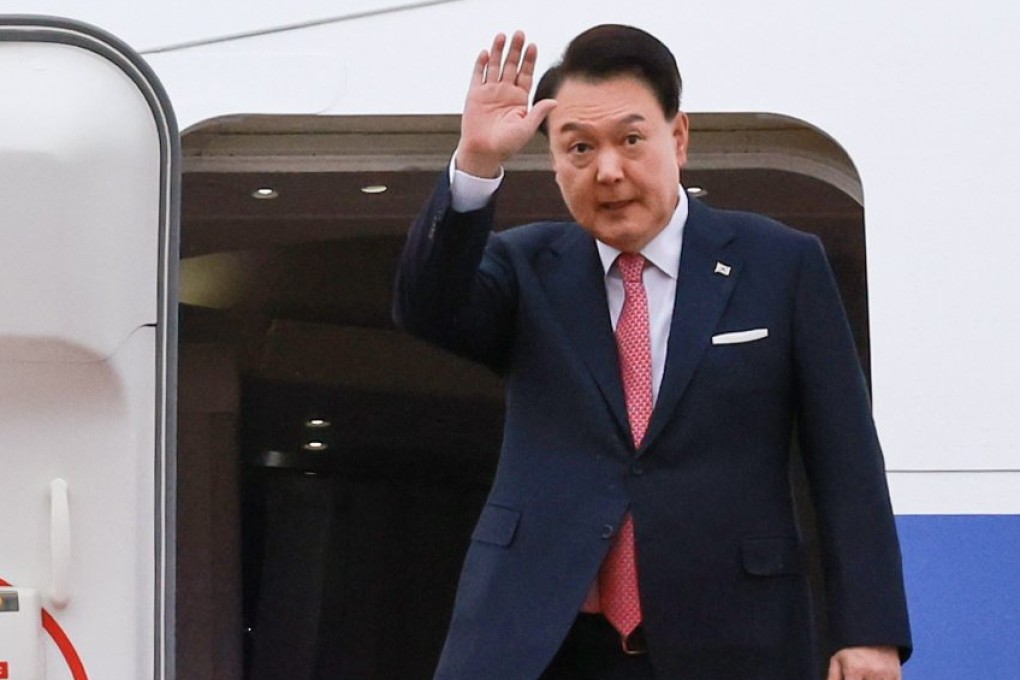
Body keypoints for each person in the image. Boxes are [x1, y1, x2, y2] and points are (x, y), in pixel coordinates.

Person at [393, 24, 911, 680]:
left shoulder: (781, 265)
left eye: (631, 140)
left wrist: (869, 632)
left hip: (731, 638)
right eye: (578, 148)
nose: (608, 170)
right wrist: (475, 165)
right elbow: (426, 308)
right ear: (553, 159)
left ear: (679, 137)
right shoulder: (526, 268)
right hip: (538, 639)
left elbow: (846, 462)